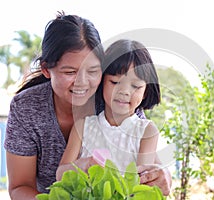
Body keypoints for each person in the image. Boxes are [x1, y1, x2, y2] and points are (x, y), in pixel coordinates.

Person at [4, 12, 171, 199]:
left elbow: (148, 165)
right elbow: (20, 187)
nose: (82, 82)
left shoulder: (115, 98)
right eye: (70, 72)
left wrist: (165, 178)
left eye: (93, 70)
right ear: (46, 69)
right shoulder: (27, 107)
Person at [57, 39, 161, 179]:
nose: (124, 91)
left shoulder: (146, 132)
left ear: (145, 92)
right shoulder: (82, 126)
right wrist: (83, 165)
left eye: (135, 86)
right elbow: (60, 174)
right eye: (115, 82)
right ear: (102, 82)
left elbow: (141, 182)